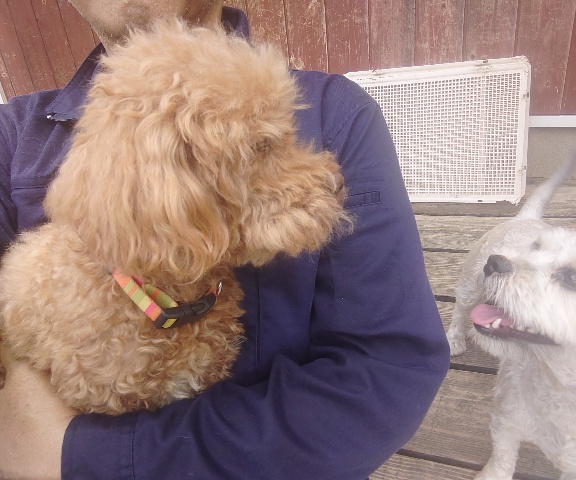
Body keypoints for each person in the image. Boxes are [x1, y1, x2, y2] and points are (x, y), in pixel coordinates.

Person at [0, 2, 450, 479]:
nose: (326, 176)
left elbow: (384, 371)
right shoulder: (11, 135)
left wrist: (76, 454)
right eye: (260, 150)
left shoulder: (340, 114)